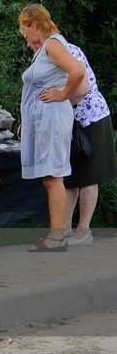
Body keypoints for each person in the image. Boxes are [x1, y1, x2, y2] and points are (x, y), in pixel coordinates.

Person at [17, 4, 87, 252]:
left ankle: (57, 237)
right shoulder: (44, 48)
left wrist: (63, 94)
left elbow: (78, 71)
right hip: (43, 119)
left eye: (24, 28)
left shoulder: (53, 45)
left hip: (53, 117)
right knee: (49, 176)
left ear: (34, 24)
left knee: (53, 175)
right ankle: (56, 234)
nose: (24, 34)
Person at [62, 39, 114, 246]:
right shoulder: (49, 52)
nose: (29, 43)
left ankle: (83, 231)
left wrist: (59, 99)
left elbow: (82, 88)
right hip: (72, 122)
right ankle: (63, 229)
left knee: (89, 175)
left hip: (92, 117)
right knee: (70, 176)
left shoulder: (66, 51)